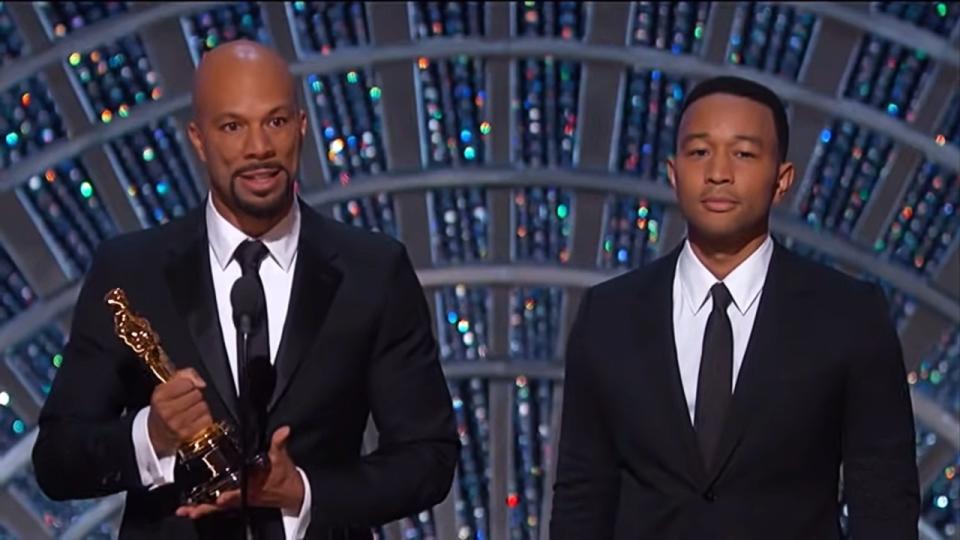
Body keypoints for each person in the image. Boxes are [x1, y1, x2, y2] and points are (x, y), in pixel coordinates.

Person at [32, 40, 458, 540]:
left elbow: (428, 457)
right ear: (198, 139)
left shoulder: (374, 271)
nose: (259, 147)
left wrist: (302, 492)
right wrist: (151, 436)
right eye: (233, 127)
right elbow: (57, 459)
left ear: (301, 127)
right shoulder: (129, 271)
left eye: (275, 122)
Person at [550, 76, 919, 539]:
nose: (718, 172)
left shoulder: (849, 315)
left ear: (782, 179)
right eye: (699, 152)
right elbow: (582, 494)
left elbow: (884, 496)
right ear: (673, 172)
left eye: (743, 153)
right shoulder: (609, 315)